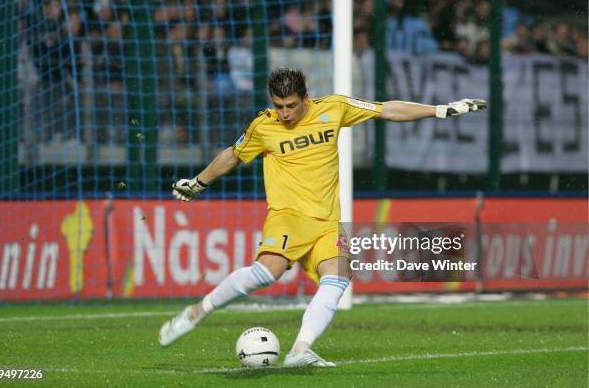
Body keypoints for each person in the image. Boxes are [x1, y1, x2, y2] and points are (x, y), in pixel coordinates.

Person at [158, 68, 487, 367]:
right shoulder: (264, 126)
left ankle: (300, 350)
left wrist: (440, 110)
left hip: (327, 219)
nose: (284, 113)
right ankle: (198, 311)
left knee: (339, 277)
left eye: (291, 105)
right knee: (266, 274)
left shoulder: (334, 107)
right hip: (289, 215)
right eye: (278, 105)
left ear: (306, 97)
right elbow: (233, 155)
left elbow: (386, 109)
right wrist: (198, 182)